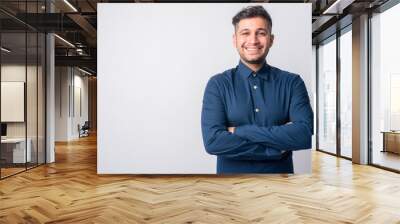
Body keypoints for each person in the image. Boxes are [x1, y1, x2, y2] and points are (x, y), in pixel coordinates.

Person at [201, 5, 313, 174]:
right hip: (231, 188)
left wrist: (238, 131)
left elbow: (303, 134)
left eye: (261, 33)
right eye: (245, 33)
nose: (253, 40)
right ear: (235, 40)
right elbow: (213, 142)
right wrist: (274, 149)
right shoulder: (218, 84)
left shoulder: (292, 83)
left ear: (271, 39)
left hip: (282, 188)